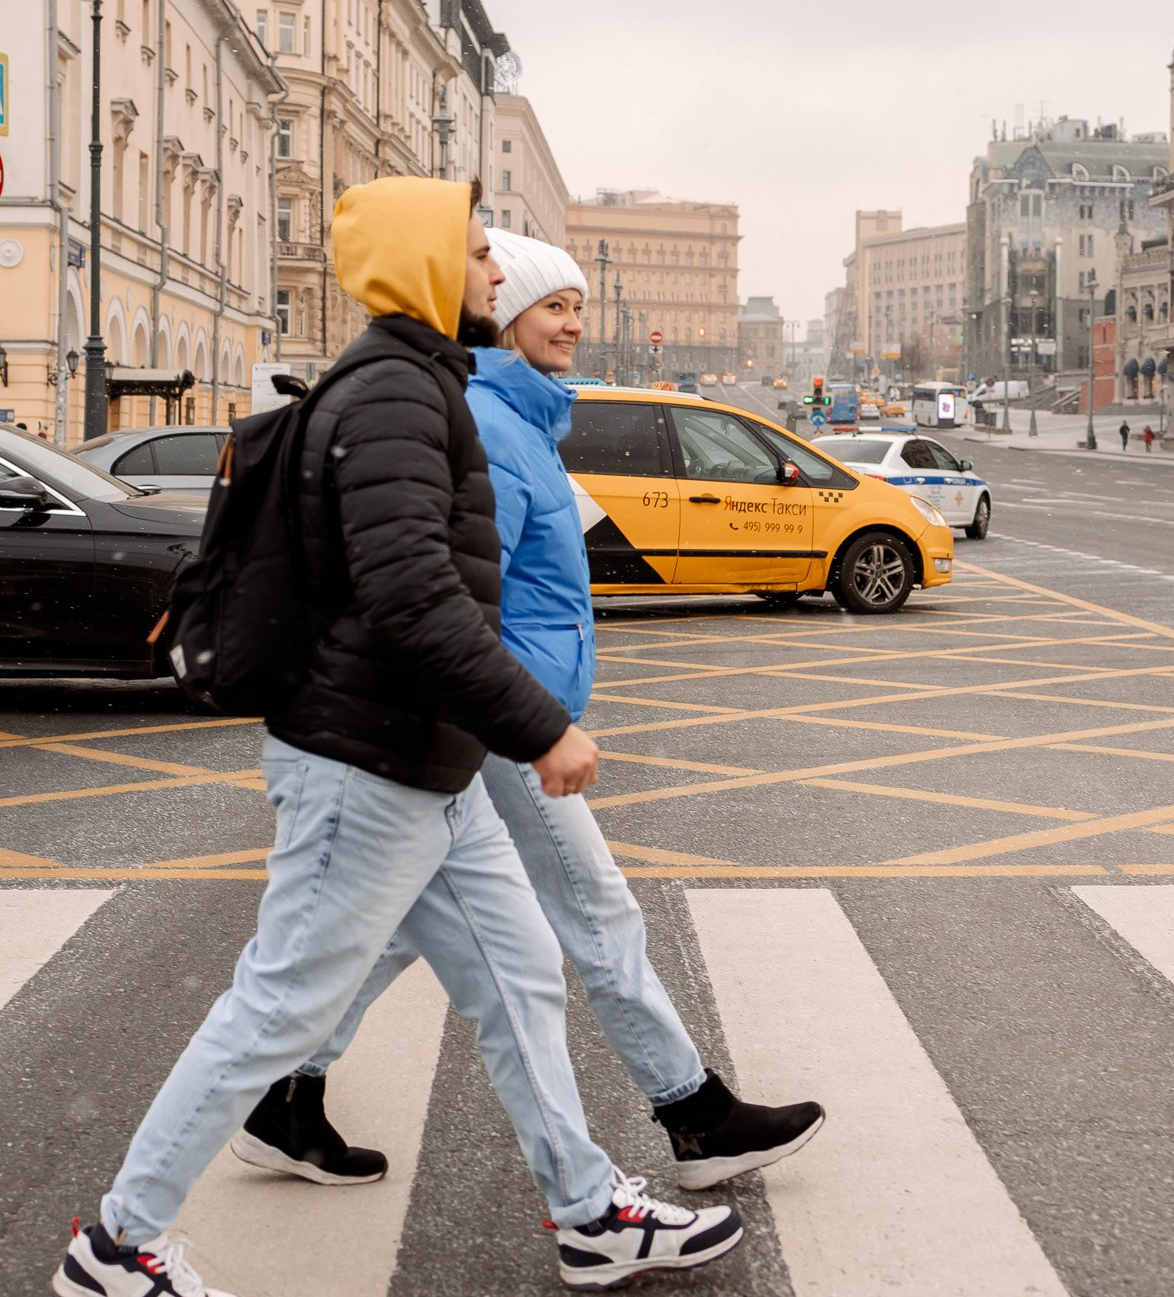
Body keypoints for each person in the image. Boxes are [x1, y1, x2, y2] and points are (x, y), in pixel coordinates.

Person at [57, 180, 742, 1297]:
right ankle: (118, 1247)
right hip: (364, 761)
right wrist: (540, 727)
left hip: (427, 759)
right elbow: (412, 596)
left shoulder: (417, 383)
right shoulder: (392, 397)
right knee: (281, 1003)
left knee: (519, 976)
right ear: (426, 265)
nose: (493, 272)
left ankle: (589, 1214)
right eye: (476, 254)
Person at [238, 227, 821, 1200]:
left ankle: (284, 1095)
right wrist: (529, 718)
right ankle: (694, 1114)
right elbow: (460, 591)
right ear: (505, 317)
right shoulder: (492, 426)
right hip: (502, 716)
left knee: (389, 924)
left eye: (579, 306)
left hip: (501, 710)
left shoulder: (522, 419)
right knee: (595, 911)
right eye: (554, 306)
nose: (574, 324)